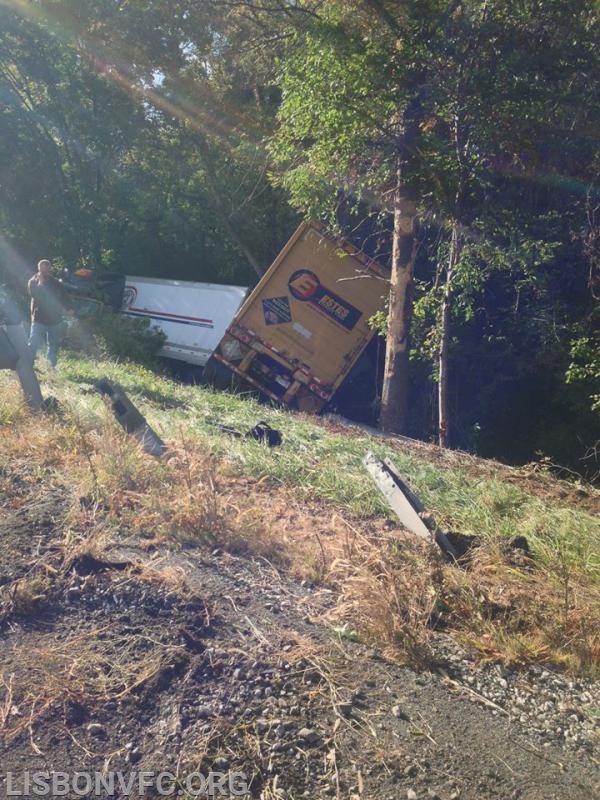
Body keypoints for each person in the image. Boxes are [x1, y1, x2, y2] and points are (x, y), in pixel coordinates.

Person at [27, 259, 69, 368]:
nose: (44, 272)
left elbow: (64, 296)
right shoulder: (33, 282)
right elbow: (37, 296)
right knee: (33, 344)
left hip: (55, 319)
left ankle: (50, 367)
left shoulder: (55, 282)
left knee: (53, 345)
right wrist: (41, 283)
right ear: (38, 269)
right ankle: (27, 364)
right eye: (42, 270)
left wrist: (69, 308)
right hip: (39, 318)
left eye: (46, 270)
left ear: (49, 269)